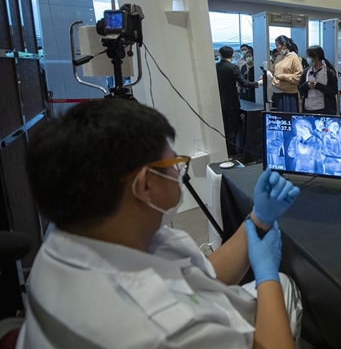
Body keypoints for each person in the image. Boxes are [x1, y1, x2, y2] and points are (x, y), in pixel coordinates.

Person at [19, 99, 302, 349]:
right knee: (284, 288)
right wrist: (267, 276)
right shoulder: (168, 331)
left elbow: (204, 278)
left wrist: (257, 219)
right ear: (145, 185)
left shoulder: (69, 238)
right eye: (175, 163)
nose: (179, 172)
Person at [216, 46, 260, 158]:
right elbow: (244, 83)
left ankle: (224, 150)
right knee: (232, 128)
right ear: (232, 55)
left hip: (219, 101)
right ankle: (232, 152)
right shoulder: (233, 67)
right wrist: (258, 83)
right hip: (232, 102)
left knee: (225, 126)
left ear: (220, 55)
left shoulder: (216, 67)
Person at [298, 45, 338, 115]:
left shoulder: (329, 72)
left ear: (316, 57)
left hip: (324, 109)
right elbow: (299, 88)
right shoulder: (306, 71)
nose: (307, 59)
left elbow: (334, 90)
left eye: (309, 57)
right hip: (308, 108)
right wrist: (307, 85)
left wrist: (318, 86)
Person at [272, 35, 303, 112]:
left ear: (284, 45)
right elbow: (273, 72)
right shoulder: (278, 58)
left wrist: (283, 76)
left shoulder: (294, 58)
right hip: (276, 91)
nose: (276, 48)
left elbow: (298, 76)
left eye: (277, 45)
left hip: (288, 94)